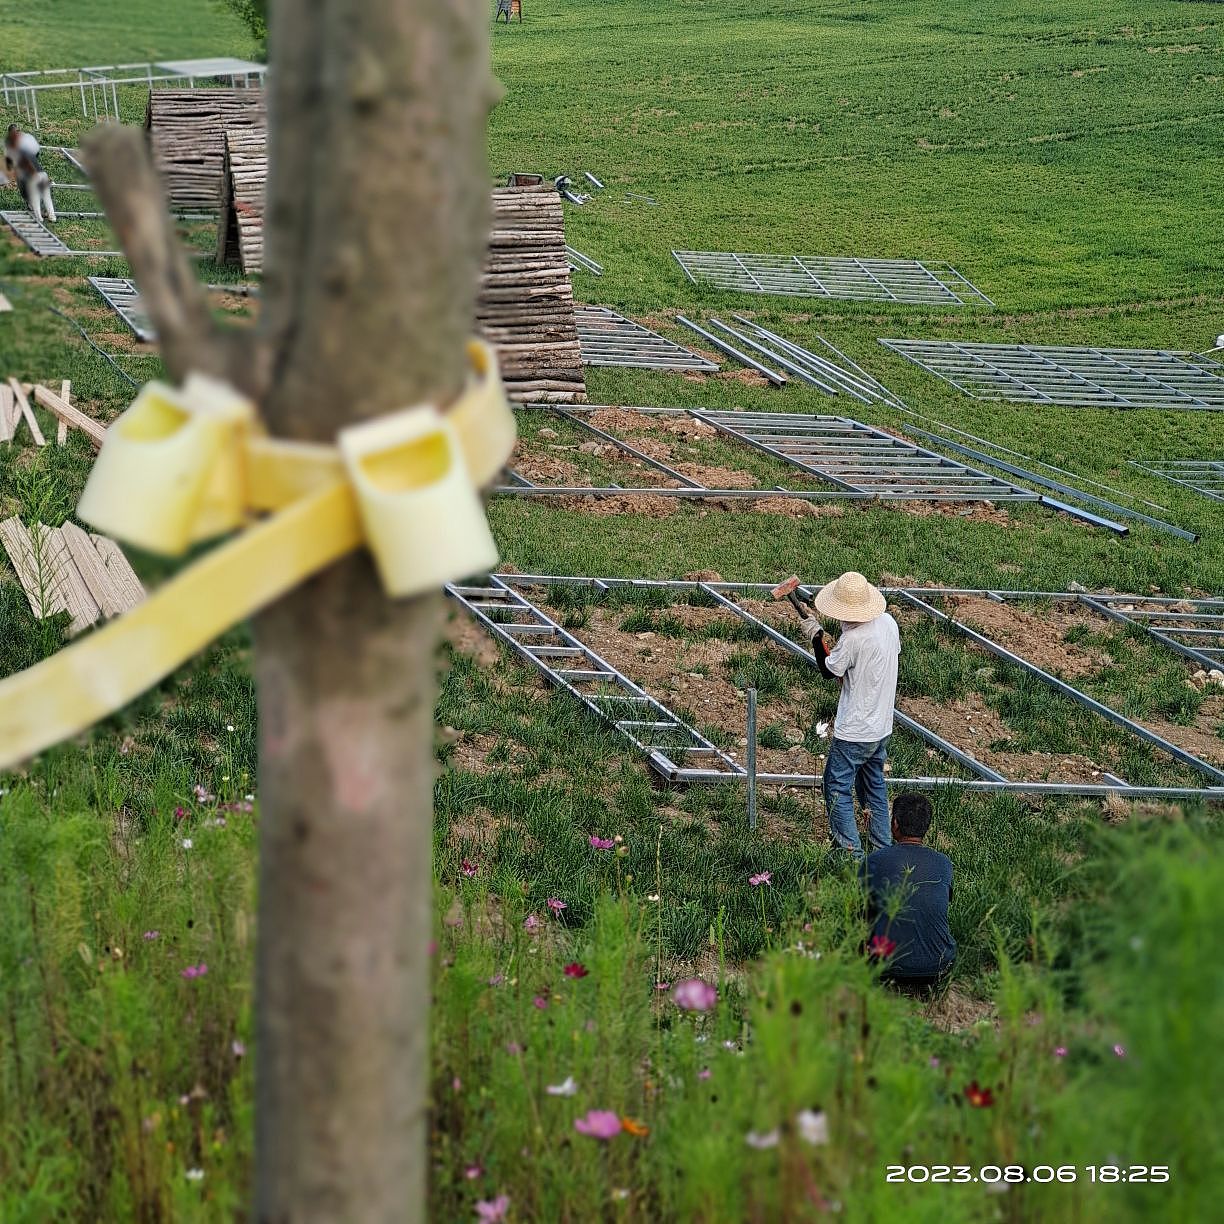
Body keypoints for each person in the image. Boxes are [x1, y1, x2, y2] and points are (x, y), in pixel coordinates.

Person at [800, 571, 900, 857]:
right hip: (881, 726)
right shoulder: (888, 624)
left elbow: (828, 670)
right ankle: (883, 848)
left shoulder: (854, 640)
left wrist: (816, 637)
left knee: (836, 785)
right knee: (874, 785)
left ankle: (850, 853)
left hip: (855, 730)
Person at [861, 793, 955, 992]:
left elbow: (861, 910)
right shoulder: (944, 863)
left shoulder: (874, 861)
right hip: (938, 966)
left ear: (894, 823)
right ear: (926, 827)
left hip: (886, 967)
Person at [4, 124, 55, 224]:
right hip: (41, 173)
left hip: (33, 175)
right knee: (45, 195)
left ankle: (38, 217)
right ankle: (52, 216)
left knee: (34, 195)